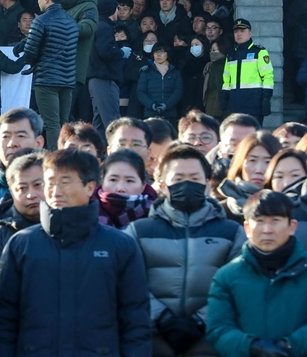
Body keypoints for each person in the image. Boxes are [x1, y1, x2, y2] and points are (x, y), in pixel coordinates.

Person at [0, 148, 151, 355]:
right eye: (50, 183)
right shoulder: (21, 244)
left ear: (90, 187)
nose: (56, 191)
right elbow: (2, 318)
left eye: (64, 182)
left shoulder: (120, 245)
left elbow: (135, 320)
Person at [125, 143, 246, 356]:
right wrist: (163, 319)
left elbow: (236, 286)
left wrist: (201, 321)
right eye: (178, 178)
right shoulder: (139, 231)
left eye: (195, 178)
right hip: (153, 340)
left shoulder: (231, 232)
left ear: (207, 184)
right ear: (162, 184)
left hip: (210, 341)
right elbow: (130, 284)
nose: (187, 184)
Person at [207, 190, 307, 357]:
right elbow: (218, 329)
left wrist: (288, 346)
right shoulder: (227, 276)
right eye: (259, 221)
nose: (267, 230)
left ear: (292, 226)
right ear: (247, 227)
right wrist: (253, 347)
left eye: (275, 221)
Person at [21, 0, 79, 149]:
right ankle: (67, 153)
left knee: (51, 124)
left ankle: (56, 157)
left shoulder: (41, 21)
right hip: (68, 80)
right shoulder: (71, 22)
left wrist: (30, 62)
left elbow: (31, 51)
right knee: (63, 122)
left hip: (46, 79)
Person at [0, 152, 44, 279]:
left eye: (38, 185)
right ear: (11, 192)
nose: (31, 195)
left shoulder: (70, 228)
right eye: (22, 188)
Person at [59, 0, 98, 123]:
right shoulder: (59, 6)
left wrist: (60, 27)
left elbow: (87, 29)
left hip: (73, 70)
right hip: (56, 69)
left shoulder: (88, 6)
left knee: (65, 115)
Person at [87, 0, 130, 135]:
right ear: (112, 9)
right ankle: (118, 154)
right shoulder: (104, 27)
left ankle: (99, 154)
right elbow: (105, 51)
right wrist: (121, 52)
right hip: (104, 80)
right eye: (117, 8)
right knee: (113, 122)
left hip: (95, 80)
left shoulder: (97, 26)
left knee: (99, 123)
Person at [218, 131, 282, 223]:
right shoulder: (220, 211)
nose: (259, 170)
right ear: (240, 163)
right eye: (252, 160)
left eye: (268, 162)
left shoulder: (287, 209)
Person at [220, 19, 275, 125]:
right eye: (236, 32)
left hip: (254, 102)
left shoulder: (259, 52)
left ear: (250, 33)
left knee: (254, 137)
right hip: (235, 102)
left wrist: (266, 98)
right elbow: (226, 79)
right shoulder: (231, 54)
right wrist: (224, 96)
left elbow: (268, 76)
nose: (239, 34)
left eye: (242, 31)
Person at [94, 149, 157, 228]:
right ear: (102, 181)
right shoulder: (86, 212)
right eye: (113, 180)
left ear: (143, 185)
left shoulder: (156, 216)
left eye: (129, 181)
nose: (120, 188)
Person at [137, 42, 183, 124]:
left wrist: (166, 105)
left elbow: (178, 91)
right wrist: (151, 105)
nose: (158, 54)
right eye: (155, 52)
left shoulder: (175, 72)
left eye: (162, 52)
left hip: (170, 114)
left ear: (167, 54)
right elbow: (141, 92)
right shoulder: (146, 72)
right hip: (150, 114)